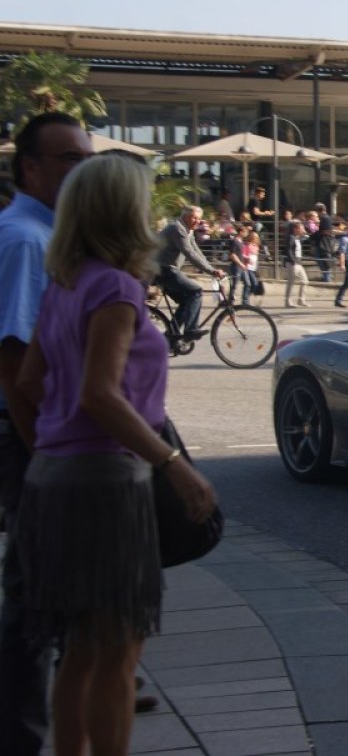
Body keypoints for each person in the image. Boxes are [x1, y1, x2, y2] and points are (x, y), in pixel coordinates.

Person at [9, 154, 217, 756]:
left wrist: (55, 446)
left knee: (78, 649)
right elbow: (101, 394)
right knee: (118, 654)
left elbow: (27, 383)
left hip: (55, 476)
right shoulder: (116, 286)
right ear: (124, 211)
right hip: (106, 483)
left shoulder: (65, 280)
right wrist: (174, 466)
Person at [0, 113, 93, 756]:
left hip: (31, 437)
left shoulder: (39, 234)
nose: (79, 170)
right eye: (66, 159)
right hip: (26, 438)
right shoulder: (29, 241)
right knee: (32, 598)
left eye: (84, 158)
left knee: (42, 589)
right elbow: (16, 367)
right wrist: (45, 460)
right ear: (29, 169)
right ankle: (20, 736)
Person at [156, 205, 226, 340]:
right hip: (162, 270)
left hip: (168, 270)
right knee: (196, 291)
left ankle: (169, 339)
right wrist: (211, 271)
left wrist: (212, 269)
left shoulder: (188, 231)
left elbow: (197, 253)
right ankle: (190, 330)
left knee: (186, 301)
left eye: (199, 219)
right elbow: (189, 253)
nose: (197, 221)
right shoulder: (177, 229)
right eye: (194, 217)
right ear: (185, 216)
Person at [283, 221, 310, 308]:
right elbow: (288, 250)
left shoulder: (297, 238)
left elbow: (307, 238)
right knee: (291, 282)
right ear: (296, 229)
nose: (303, 230)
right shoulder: (291, 238)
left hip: (298, 262)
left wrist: (305, 234)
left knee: (305, 281)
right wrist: (292, 261)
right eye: (301, 228)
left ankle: (301, 300)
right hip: (292, 262)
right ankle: (288, 301)